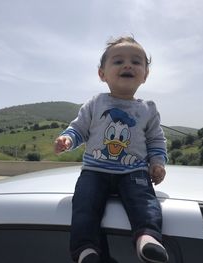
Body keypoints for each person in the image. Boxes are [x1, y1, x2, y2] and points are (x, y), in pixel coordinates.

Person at [54, 36, 169, 263]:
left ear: (145, 75)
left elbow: (156, 140)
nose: (128, 65)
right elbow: (79, 129)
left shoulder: (148, 109)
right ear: (102, 74)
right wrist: (67, 139)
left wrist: (157, 163)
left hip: (134, 172)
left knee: (146, 203)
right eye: (118, 61)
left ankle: (147, 238)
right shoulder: (95, 104)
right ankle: (86, 250)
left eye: (136, 62)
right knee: (84, 208)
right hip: (94, 172)